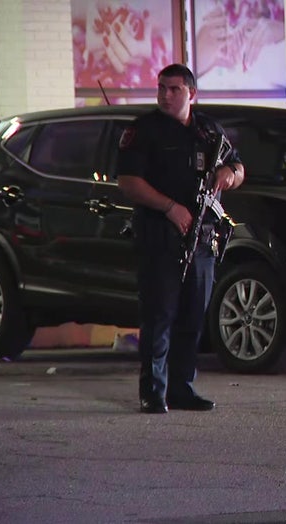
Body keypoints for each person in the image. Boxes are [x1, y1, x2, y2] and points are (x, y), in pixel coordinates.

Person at [116, 63, 244, 414]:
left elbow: (238, 166)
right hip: (160, 235)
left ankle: (181, 387)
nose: (166, 95)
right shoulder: (144, 130)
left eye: (174, 89)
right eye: (161, 88)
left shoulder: (208, 131)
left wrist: (227, 175)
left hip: (201, 238)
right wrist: (170, 207)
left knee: (193, 315)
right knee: (159, 315)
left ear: (191, 94)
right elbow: (128, 181)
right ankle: (153, 391)